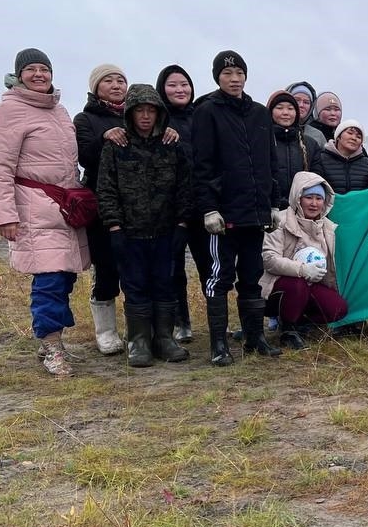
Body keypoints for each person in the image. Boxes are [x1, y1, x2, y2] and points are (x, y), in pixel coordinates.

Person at [0, 49, 91, 376]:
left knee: (64, 277)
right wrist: (4, 214)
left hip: (63, 207)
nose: (38, 75)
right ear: (19, 75)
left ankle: (53, 340)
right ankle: (51, 348)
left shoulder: (58, 110)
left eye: (43, 69)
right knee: (49, 279)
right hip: (32, 207)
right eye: (30, 69)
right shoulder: (8, 112)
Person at [192, 50, 284, 365]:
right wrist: (208, 207)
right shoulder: (207, 112)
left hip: (256, 212)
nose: (234, 79)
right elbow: (201, 164)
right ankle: (219, 344)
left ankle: (255, 338)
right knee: (220, 276)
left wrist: (273, 204)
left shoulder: (259, 113)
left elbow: (270, 162)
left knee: (252, 275)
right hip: (224, 213)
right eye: (228, 74)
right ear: (217, 77)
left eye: (240, 74)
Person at [96, 84, 193, 367]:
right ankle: (138, 341)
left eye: (151, 110)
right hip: (129, 232)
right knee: (135, 285)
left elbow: (185, 188)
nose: (146, 116)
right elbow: (106, 189)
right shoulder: (115, 147)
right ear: (130, 113)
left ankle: (164, 338)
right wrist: (114, 228)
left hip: (166, 231)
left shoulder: (172, 145)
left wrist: (183, 223)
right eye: (140, 110)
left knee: (165, 285)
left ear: (159, 113)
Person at [74, 63, 129, 356]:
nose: (117, 85)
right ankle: (106, 332)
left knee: (135, 269)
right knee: (106, 269)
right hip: (101, 204)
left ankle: (139, 328)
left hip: (135, 205)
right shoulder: (85, 119)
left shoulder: (138, 115)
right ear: (96, 87)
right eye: (109, 80)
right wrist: (104, 136)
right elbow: (84, 156)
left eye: (121, 80)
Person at [260, 172, 347, 349]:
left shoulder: (328, 228)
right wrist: (302, 270)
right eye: (309, 197)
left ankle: (300, 322)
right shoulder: (280, 221)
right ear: (298, 198)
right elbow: (269, 259)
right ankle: (288, 330)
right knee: (297, 284)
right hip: (277, 286)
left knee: (339, 309)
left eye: (318, 198)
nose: (314, 203)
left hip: (311, 285)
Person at [157, 64, 205, 343]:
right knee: (173, 269)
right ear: (162, 88)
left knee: (208, 266)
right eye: (173, 85)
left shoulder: (202, 118)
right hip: (171, 210)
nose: (180, 90)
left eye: (184, 84)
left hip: (202, 206)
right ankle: (180, 322)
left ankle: (215, 319)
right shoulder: (156, 120)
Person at [267, 89, 323, 202]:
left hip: (300, 209)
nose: (286, 113)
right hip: (268, 208)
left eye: (290, 108)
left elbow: (316, 179)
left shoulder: (310, 144)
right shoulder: (260, 140)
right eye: (279, 108)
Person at [316, 119, 368, 194]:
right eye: (350, 133)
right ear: (338, 136)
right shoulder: (320, 159)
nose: (354, 138)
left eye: (358, 137)